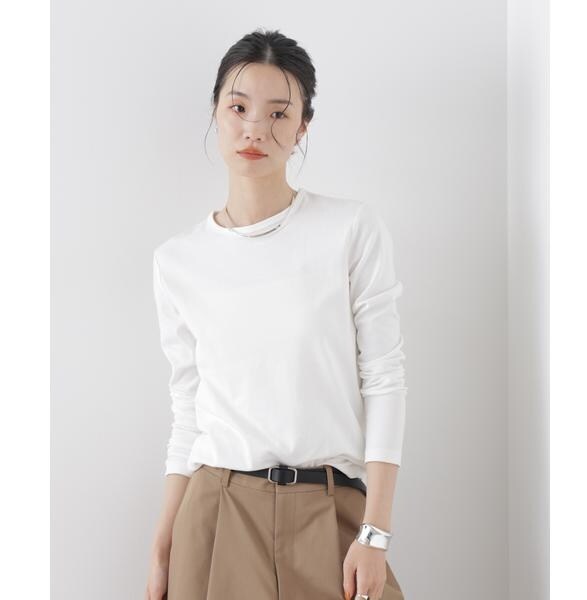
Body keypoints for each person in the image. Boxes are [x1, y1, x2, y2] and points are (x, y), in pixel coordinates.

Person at [145, 28, 407, 600]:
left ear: (303, 126)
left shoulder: (350, 230)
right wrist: (163, 542)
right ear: (216, 113)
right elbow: (188, 409)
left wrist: (375, 532)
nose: (255, 129)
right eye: (238, 107)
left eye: (279, 113)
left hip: (330, 507)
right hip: (215, 512)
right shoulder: (177, 261)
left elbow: (384, 380)